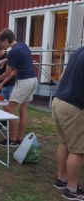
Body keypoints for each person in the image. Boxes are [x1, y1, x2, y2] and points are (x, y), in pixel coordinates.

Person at [52, 47, 84, 200]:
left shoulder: (79, 51)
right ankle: (72, 189)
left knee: (64, 142)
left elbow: (63, 76)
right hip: (75, 106)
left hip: (58, 101)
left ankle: (61, 179)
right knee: (78, 150)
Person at [0, 29, 38, 147]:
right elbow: (18, 58)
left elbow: (8, 73)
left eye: (2, 43)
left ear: (6, 40)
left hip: (24, 81)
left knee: (9, 109)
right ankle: (19, 139)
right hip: (33, 79)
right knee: (23, 109)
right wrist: (5, 60)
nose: (2, 46)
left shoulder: (13, 51)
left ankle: (12, 139)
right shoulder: (23, 46)